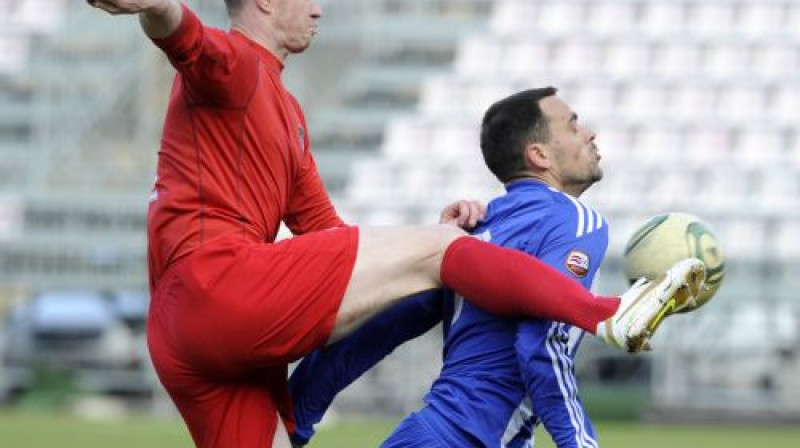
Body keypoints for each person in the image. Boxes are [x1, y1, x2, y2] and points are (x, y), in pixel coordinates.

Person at [86, 2, 705, 447]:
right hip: (219, 287)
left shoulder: (288, 112)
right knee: (437, 251)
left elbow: (329, 241)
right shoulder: (239, 67)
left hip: (181, 337)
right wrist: (161, 7)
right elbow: (189, 42)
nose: (321, 9)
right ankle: (606, 312)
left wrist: (444, 242)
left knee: (428, 255)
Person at [288, 88, 706, 447]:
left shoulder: (468, 234)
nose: (590, 133)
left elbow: (376, 330)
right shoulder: (577, 221)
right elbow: (542, 344)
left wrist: (295, 420)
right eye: (573, 125)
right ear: (539, 154)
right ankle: (611, 314)